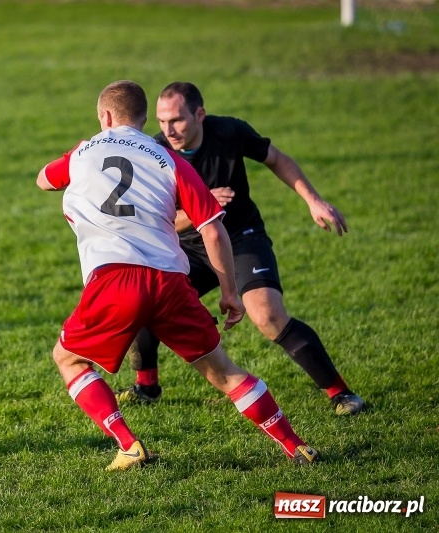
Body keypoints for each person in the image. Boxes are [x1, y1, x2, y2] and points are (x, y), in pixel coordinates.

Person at [36, 80, 320, 471]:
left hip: (114, 279)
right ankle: (296, 446)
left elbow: (43, 179)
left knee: (67, 359)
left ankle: (128, 444)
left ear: (105, 116)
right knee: (225, 373)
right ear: (144, 119)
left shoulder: (84, 152)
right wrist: (229, 293)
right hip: (171, 282)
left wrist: (78, 155)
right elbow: (213, 230)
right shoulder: (171, 160)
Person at [114, 81, 364, 416]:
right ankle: (146, 386)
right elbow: (158, 220)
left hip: (242, 238)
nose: (168, 130)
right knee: (143, 301)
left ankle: (341, 393)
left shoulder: (229, 132)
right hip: (191, 247)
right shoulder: (155, 152)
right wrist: (202, 206)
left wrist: (313, 200)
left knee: (268, 315)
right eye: (161, 121)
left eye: (177, 120)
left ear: (199, 115)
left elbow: (277, 159)